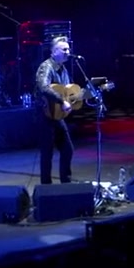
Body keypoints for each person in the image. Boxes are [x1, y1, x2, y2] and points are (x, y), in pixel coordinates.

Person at [33, 36, 75, 185]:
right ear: (54, 51)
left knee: (67, 149)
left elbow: (66, 91)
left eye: (68, 49)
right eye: (64, 49)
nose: (68, 52)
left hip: (56, 115)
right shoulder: (46, 67)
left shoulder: (64, 70)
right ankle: (46, 187)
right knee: (47, 152)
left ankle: (66, 183)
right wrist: (61, 101)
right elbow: (43, 87)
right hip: (44, 114)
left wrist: (73, 99)